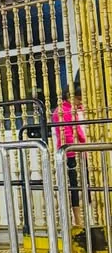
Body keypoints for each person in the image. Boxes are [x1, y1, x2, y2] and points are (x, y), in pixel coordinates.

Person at [52, 81, 87, 229]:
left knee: (74, 186)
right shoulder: (66, 111)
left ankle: (77, 219)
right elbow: (74, 131)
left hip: (69, 151)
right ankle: (78, 220)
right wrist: (85, 143)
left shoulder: (63, 109)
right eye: (79, 99)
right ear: (70, 97)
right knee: (75, 187)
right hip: (72, 152)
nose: (81, 102)